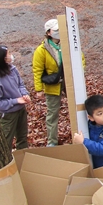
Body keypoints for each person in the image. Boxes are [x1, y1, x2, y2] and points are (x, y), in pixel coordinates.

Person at [0, 45, 31, 150]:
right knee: (6, 141)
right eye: (8, 54)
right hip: (7, 115)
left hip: (21, 110)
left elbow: (20, 84)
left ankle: (24, 160)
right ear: (1, 59)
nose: (11, 56)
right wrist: (16, 101)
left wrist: (24, 94)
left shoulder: (12, 69)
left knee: (23, 138)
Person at [32, 19, 64, 147]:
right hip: (53, 85)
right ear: (48, 33)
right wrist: (38, 89)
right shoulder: (41, 50)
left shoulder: (66, 44)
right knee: (53, 113)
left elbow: (80, 57)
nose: (59, 32)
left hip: (68, 83)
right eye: (56, 30)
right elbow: (37, 69)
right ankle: (52, 141)